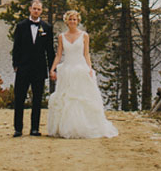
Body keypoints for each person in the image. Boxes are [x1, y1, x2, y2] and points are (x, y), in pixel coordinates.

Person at [47, 10, 118, 139]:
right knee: (66, 99)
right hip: (67, 69)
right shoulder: (62, 37)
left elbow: (86, 54)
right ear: (66, 21)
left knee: (82, 98)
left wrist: (89, 68)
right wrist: (52, 69)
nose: (72, 21)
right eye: (70, 19)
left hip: (80, 69)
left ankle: (84, 126)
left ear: (78, 21)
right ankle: (67, 127)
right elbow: (58, 55)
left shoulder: (84, 35)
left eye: (74, 19)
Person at [11, 0, 55, 137]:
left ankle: (34, 128)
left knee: (37, 99)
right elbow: (16, 47)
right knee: (19, 98)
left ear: (41, 11)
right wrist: (15, 65)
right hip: (23, 68)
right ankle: (18, 129)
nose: (36, 11)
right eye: (34, 8)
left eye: (39, 9)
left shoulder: (47, 27)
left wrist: (52, 68)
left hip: (39, 69)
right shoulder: (21, 26)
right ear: (30, 9)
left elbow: (50, 51)